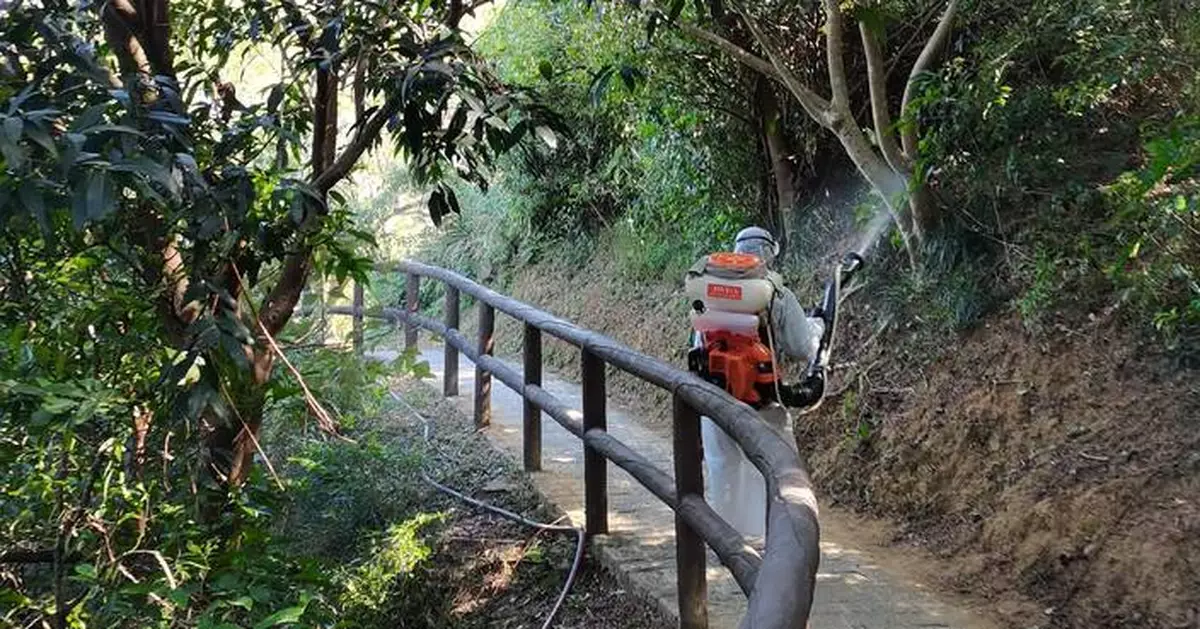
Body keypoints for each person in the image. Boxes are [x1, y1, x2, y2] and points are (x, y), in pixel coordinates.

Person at [692, 226, 826, 538]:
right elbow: (802, 346)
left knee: (723, 466)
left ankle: (729, 540)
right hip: (763, 396)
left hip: (715, 397)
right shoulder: (775, 293)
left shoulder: (710, 291)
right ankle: (781, 538)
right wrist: (816, 327)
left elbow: (699, 341)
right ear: (769, 254)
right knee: (780, 467)